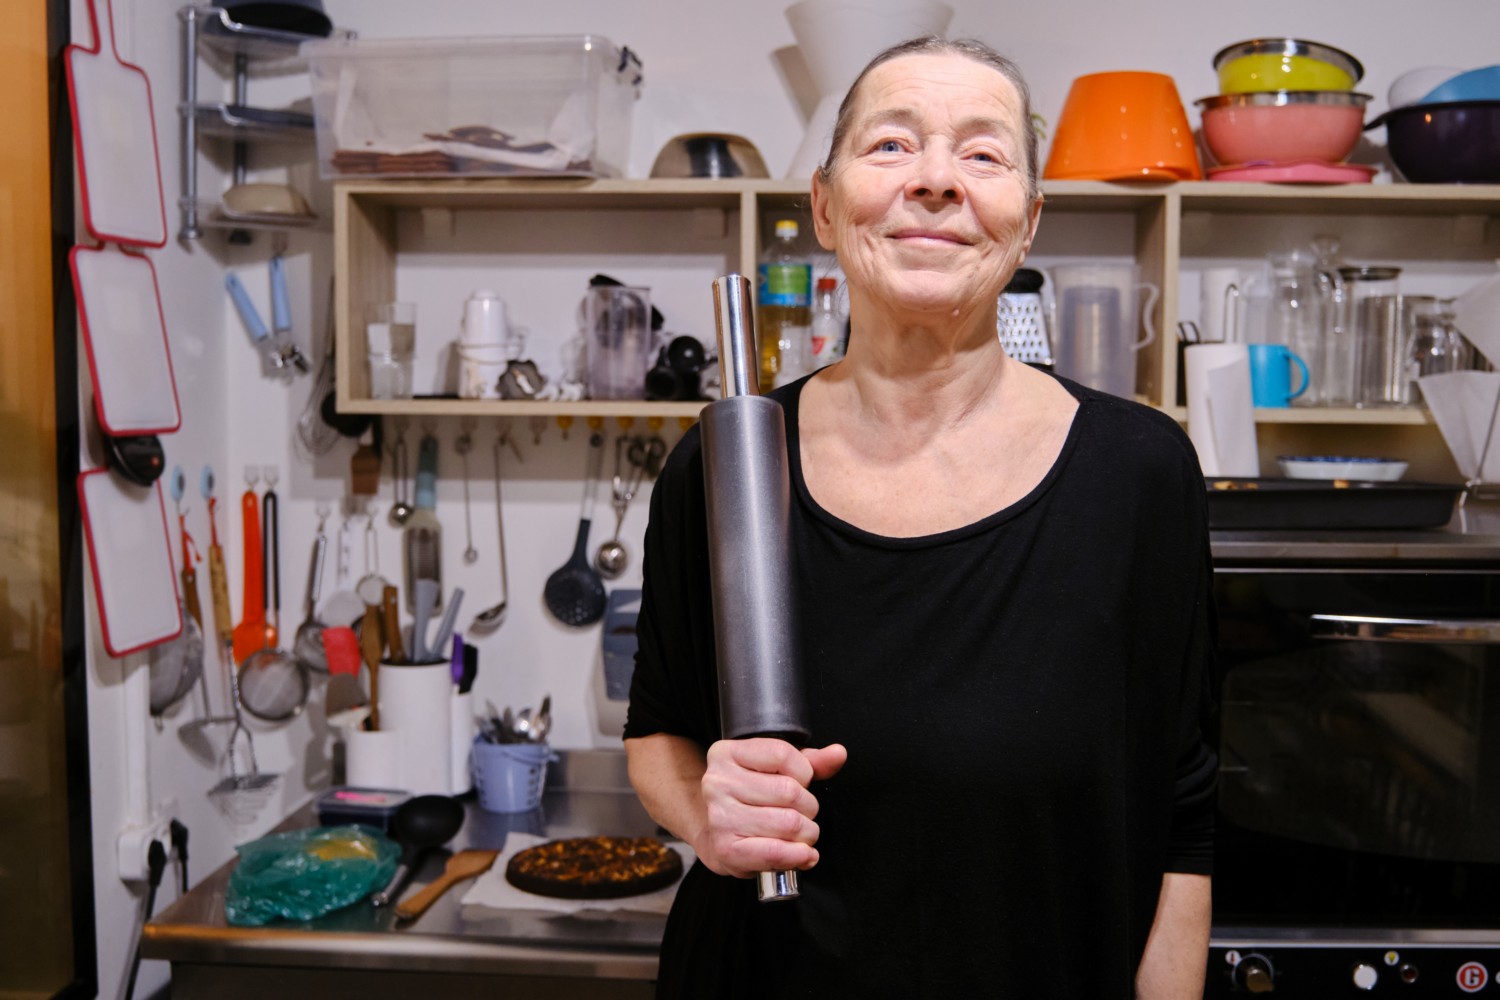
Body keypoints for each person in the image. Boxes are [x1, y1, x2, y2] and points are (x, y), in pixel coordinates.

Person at [624, 35, 1216, 999]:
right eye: (892, 145)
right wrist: (706, 818)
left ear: (1028, 222)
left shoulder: (1142, 472)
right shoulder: (725, 465)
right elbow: (658, 734)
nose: (936, 180)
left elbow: (1182, 804)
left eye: (982, 153)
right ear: (824, 206)